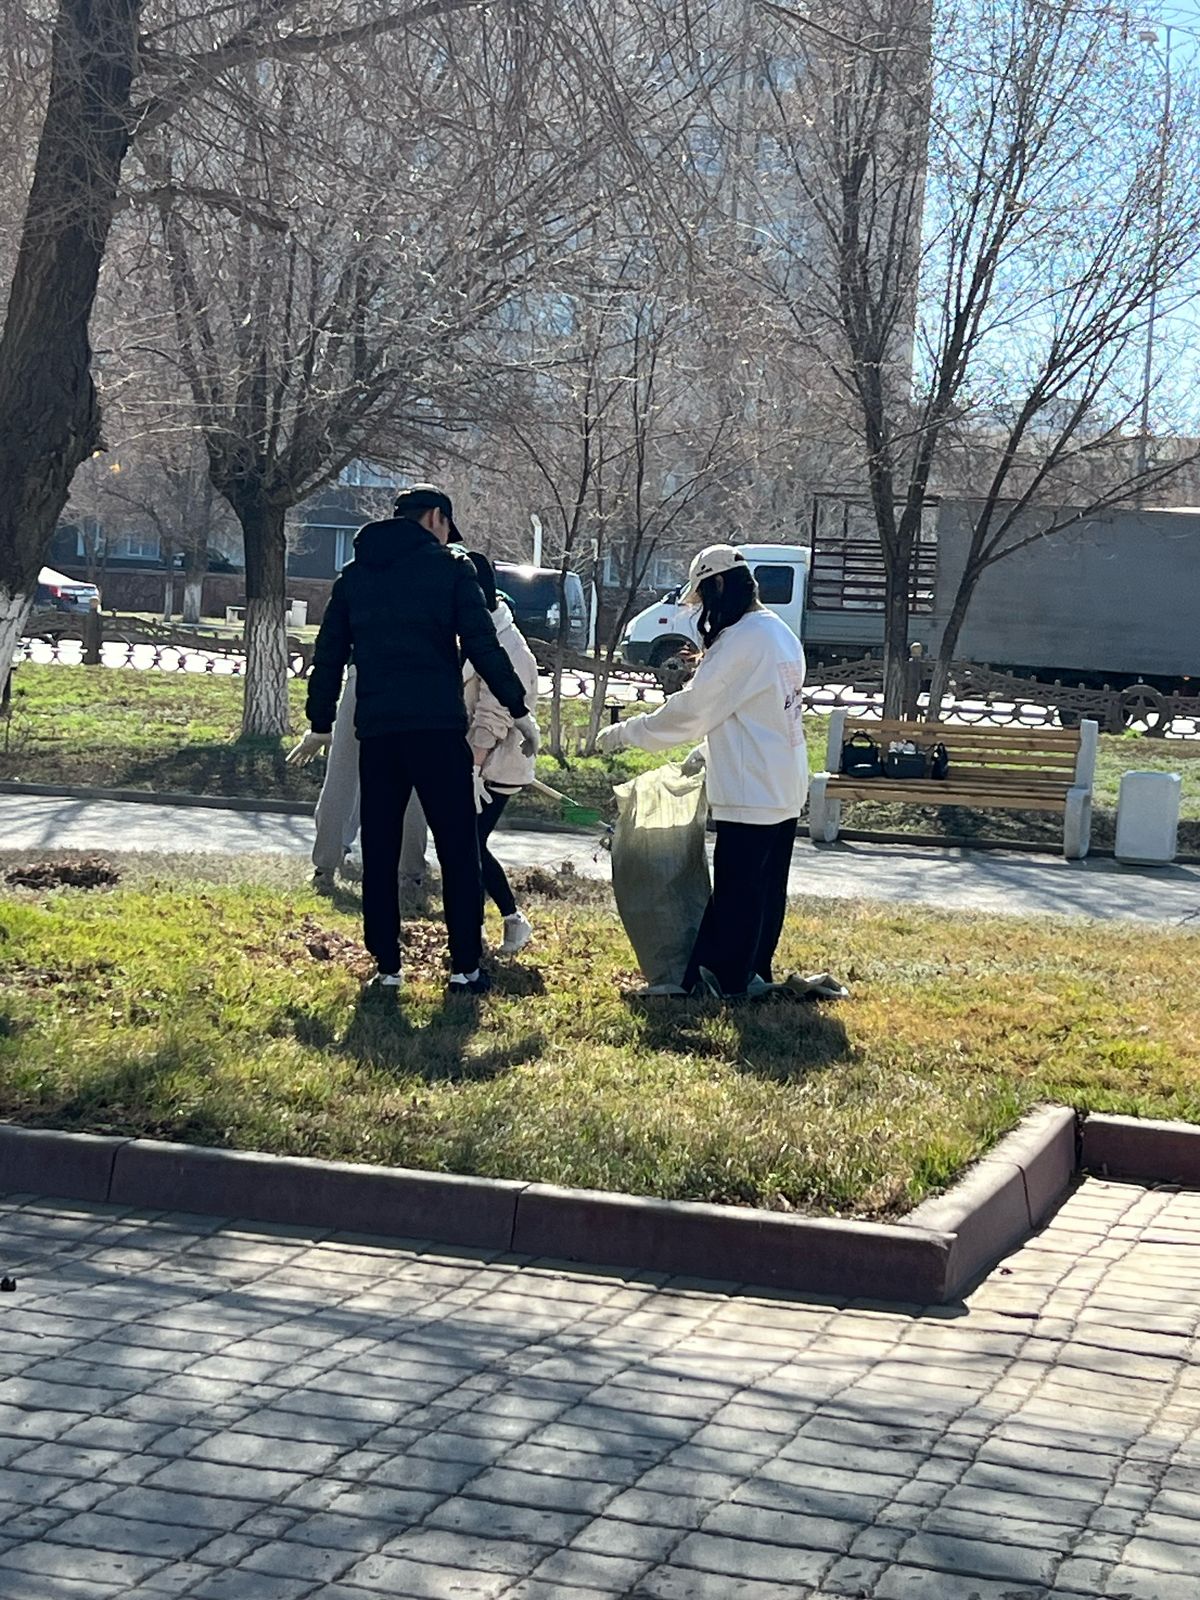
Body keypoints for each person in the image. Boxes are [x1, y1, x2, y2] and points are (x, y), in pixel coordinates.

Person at [292, 485, 540, 996]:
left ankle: (387, 968)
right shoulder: (452, 570)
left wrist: (320, 721)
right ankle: (465, 969)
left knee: (379, 850)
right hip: (438, 731)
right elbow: (483, 645)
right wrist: (518, 710)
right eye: (447, 528)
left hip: (379, 731)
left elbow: (329, 652)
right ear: (435, 518)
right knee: (457, 849)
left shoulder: (355, 575)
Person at [596, 544, 807, 999]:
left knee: (737, 891)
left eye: (704, 598)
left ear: (719, 585)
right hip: (783, 782)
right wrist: (710, 751)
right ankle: (751, 970)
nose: (703, 612)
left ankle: (723, 981)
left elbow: (692, 711)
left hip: (752, 789)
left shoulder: (743, 640)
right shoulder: (777, 631)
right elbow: (753, 711)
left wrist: (629, 732)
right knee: (765, 890)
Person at [462, 557, 539, 954]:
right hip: (479, 762)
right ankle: (490, 926)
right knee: (470, 845)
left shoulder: (507, 646)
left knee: (469, 845)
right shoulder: (479, 630)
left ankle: (503, 923)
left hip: (495, 765)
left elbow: (494, 714)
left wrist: (474, 768)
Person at [309, 666, 429, 898]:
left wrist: (320, 720)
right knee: (411, 784)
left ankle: (325, 866)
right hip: (417, 683)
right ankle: (411, 874)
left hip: (363, 678)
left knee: (341, 778)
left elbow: (330, 657)